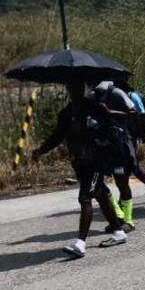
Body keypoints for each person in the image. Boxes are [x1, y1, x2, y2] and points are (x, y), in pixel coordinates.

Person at [32, 80, 127, 257]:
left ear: (83, 88)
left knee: (85, 198)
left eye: (79, 87)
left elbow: (112, 127)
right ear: (68, 89)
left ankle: (80, 243)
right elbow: (57, 136)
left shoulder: (95, 107)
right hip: (79, 162)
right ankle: (118, 231)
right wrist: (41, 150)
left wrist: (98, 129)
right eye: (72, 87)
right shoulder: (66, 113)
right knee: (100, 194)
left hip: (97, 160)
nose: (76, 90)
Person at [90, 80, 139, 232]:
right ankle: (117, 215)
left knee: (122, 183)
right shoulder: (91, 95)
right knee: (98, 184)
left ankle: (128, 221)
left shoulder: (116, 93)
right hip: (102, 147)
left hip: (120, 146)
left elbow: (134, 112)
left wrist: (111, 113)